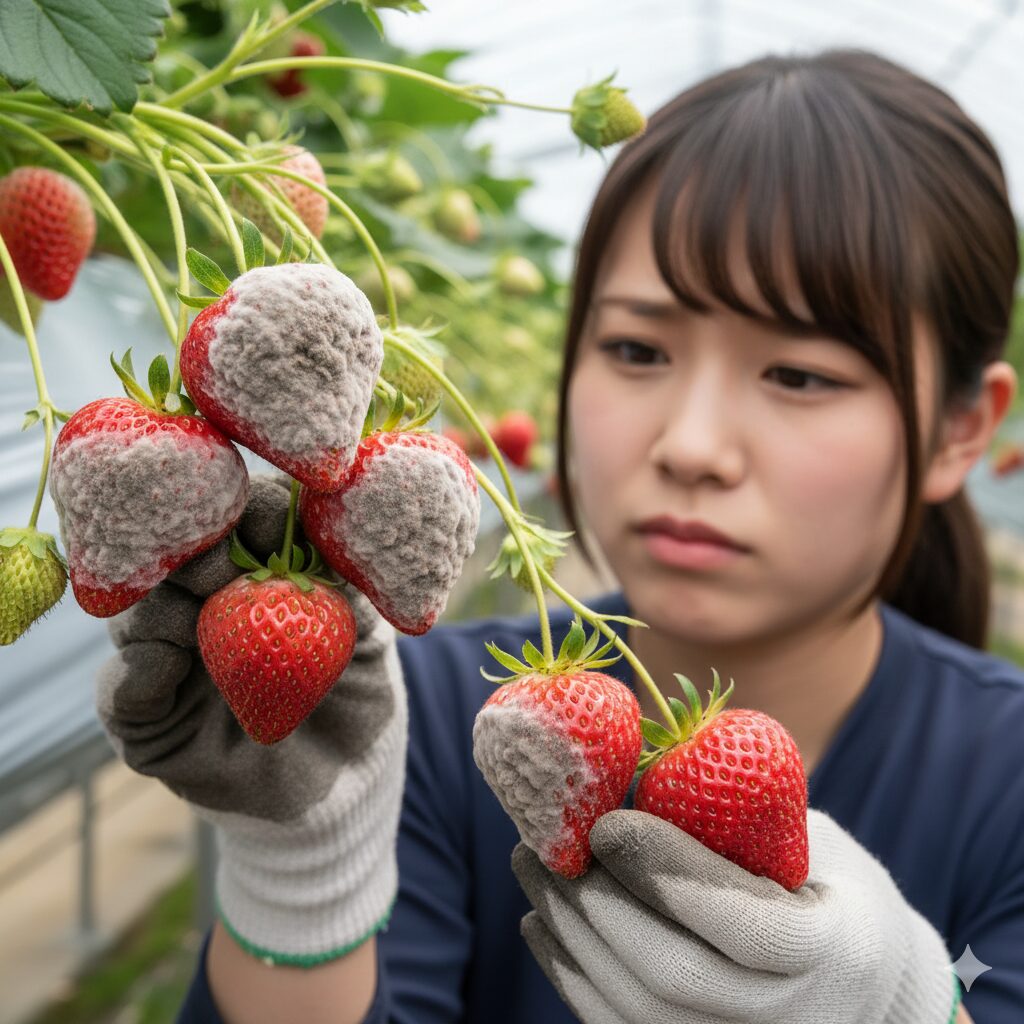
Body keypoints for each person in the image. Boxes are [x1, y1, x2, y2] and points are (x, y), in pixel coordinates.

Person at [94, 48, 1023, 1024]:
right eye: (635, 349)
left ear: (962, 427)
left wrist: (912, 1009)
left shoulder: (1005, 781)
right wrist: (302, 870)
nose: (692, 445)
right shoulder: (421, 715)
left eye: (799, 374)